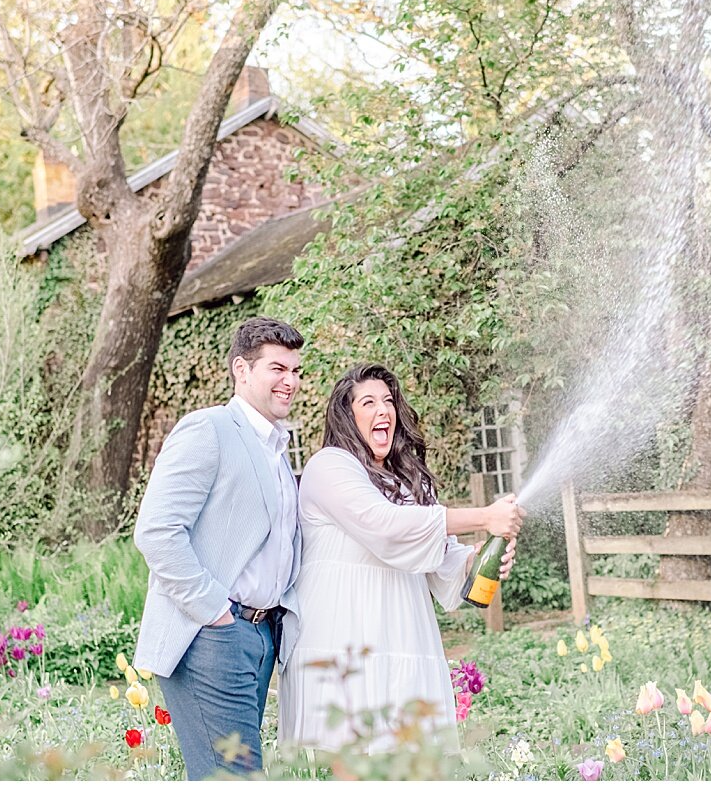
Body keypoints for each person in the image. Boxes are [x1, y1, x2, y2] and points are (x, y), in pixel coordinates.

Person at [278, 363, 524, 755]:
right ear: (347, 414)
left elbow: (438, 561)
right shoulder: (329, 466)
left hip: (405, 635)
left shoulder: (407, 480)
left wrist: (474, 559)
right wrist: (484, 516)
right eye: (369, 402)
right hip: (342, 636)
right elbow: (386, 526)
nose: (384, 411)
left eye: (389, 402)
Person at [133, 317, 305, 779]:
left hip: (260, 635)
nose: (290, 381)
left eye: (295, 370)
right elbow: (156, 531)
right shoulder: (207, 430)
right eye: (277, 369)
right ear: (241, 370)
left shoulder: (276, 449)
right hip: (211, 636)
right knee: (233, 778)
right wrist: (216, 613)